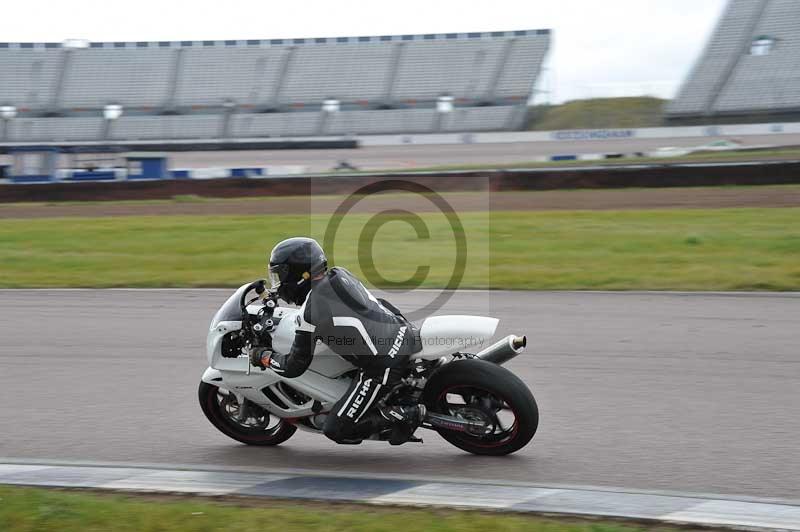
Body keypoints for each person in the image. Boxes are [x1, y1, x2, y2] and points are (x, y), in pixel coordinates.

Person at [250, 237, 425, 445]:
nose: (279, 283)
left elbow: (294, 366)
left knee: (336, 429)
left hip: (382, 367)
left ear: (298, 274)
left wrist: (264, 356)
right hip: (402, 331)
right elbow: (380, 303)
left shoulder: (311, 311)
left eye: (281, 276)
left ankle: (404, 415)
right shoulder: (339, 274)